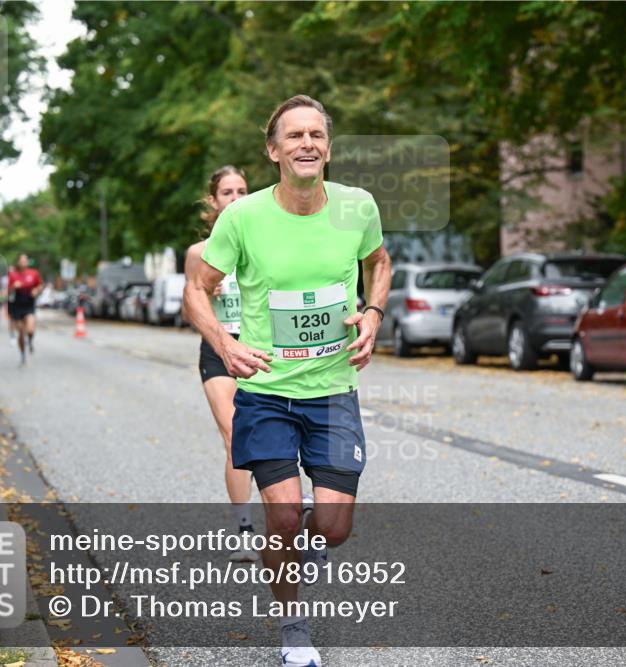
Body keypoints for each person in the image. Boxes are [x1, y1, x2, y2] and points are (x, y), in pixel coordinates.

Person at [185, 95, 391, 667]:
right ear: (273, 150)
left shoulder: (357, 207)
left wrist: (373, 315)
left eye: (316, 135)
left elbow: (380, 262)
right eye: (294, 135)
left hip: (332, 391)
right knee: (280, 515)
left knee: (332, 527)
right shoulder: (243, 217)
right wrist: (224, 344)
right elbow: (197, 288)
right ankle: (293, 626)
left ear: (328, 147)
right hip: (268, 391)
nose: (307, 143)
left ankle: (297, 537)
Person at [182, 166, 258, 562]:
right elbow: (190, 308)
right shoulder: (199, 254)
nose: (236, 198)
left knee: (275, 435)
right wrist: (209, 298)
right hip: (217, 348)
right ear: (213, 201)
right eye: (227, 192)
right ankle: (245, 530)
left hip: (259, 348)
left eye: (242, 190)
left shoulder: (265, 242)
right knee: (235, 436)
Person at [7, 254, 43, 364]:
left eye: (25, 260)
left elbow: (40, 285)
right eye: (21, 260)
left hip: (29, 304)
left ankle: (30, 341)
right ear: (18, 262)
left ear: (28, 262)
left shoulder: (34, 273)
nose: (23, 262)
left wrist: (36, 290)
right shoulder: (12, 275)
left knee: (31, 329)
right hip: (17, 305)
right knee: (21, 333)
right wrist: (13, 287)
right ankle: (23, 354)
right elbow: (7, 292)